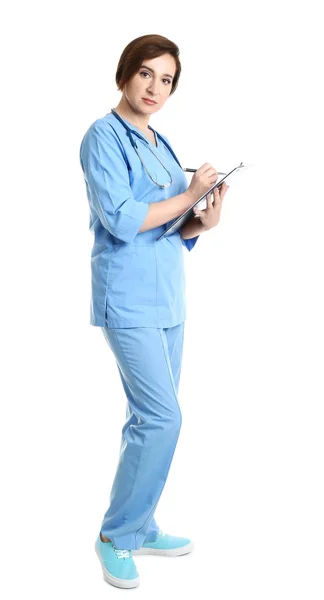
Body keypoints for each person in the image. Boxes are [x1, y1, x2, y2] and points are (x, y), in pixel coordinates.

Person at [79, 33, 229, 590]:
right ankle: (116, 536)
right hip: (128, 296)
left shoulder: (160, 142)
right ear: (125, 74)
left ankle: (139, 524)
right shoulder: (103, 136)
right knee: (164, 418)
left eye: (166, 79)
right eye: (146, 73)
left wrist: (201, 221)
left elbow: (168, 225)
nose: (155, 87)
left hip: (169, 295)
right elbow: (121, 219)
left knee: (149, 419)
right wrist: (189, 195)